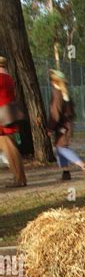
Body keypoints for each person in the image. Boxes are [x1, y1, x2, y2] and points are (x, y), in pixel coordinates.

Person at [47, 69, 85, 180]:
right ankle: (66, 172)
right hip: (66, 125)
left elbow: (55, 112)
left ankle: (79, 163)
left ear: (54, 81)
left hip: (62, 126)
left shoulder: (57, 94)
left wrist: (50, 127)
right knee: (60, 147)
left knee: (62, 148)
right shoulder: (65, 93)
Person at [0, 56, 27, 188]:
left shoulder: (1, 78)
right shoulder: (9, 78)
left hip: (3, 120)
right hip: (8, 116)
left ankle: (19, 179)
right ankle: (19, 177)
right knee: (11, 149)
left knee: (11, 150)